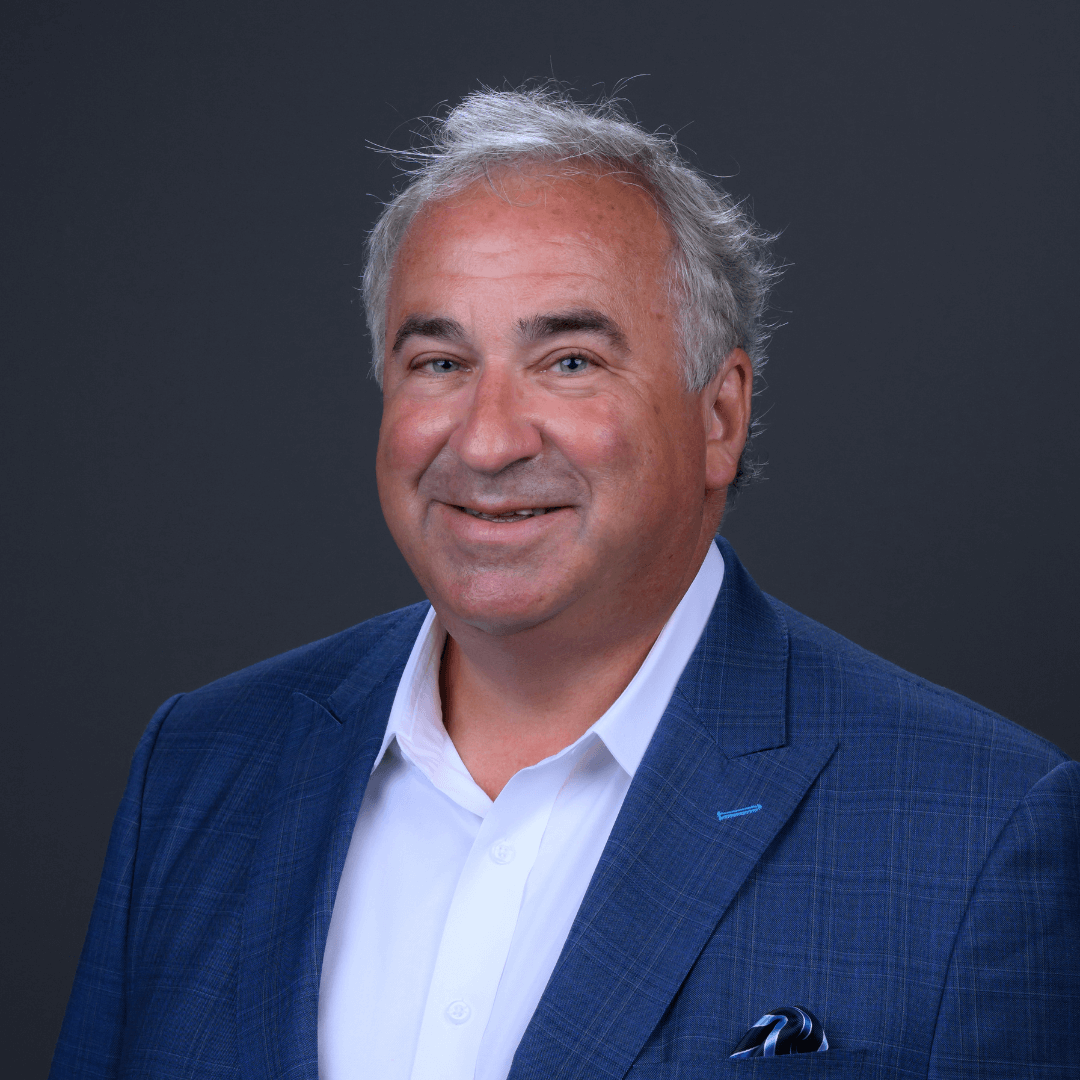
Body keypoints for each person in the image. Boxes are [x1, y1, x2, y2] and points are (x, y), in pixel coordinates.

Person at [51, 86, 1078, 1080]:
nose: (486, 441)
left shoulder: (978, 829)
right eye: (440, 363)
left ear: (719, 416)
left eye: (570, 361)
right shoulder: (202, 765)